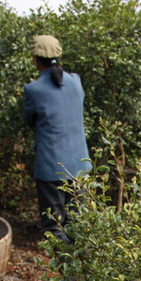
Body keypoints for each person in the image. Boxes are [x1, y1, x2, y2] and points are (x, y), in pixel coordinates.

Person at [22, 34, 92, 243]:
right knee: (79, 220)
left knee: (55, 224)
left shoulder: (33, 90)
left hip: (51, 166)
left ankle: (66, 276)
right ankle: (85, 272)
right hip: (80, 164)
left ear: (35, 59)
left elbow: (29, 120)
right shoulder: (76, 82)